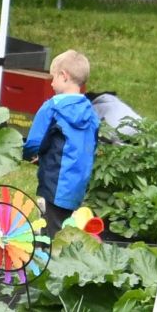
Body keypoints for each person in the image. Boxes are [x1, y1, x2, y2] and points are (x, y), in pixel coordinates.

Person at [22, 50, 100, 237]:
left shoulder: (52, 107)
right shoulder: (90, 111)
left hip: (56, 178)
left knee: (54, 231)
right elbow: (93, 142)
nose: (51, 83)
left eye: (53, 77)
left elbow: (34, 142)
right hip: (79, 180)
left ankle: (52, 260)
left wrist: (28, 155)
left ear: (64, 76)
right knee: (67, 223)